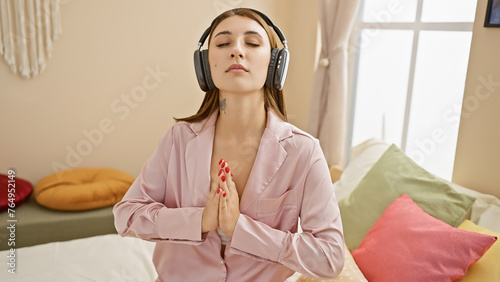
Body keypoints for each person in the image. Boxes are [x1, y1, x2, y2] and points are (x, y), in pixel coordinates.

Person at [113, 8, 344, 282]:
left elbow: (330, 258)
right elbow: (126, 216)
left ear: (275, 64)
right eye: (223, 43)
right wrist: (200, 221)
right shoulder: (178, 140)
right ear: (205, 66)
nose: (236, 50)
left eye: (252, 43)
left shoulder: (304, 153)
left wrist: (241, 229)